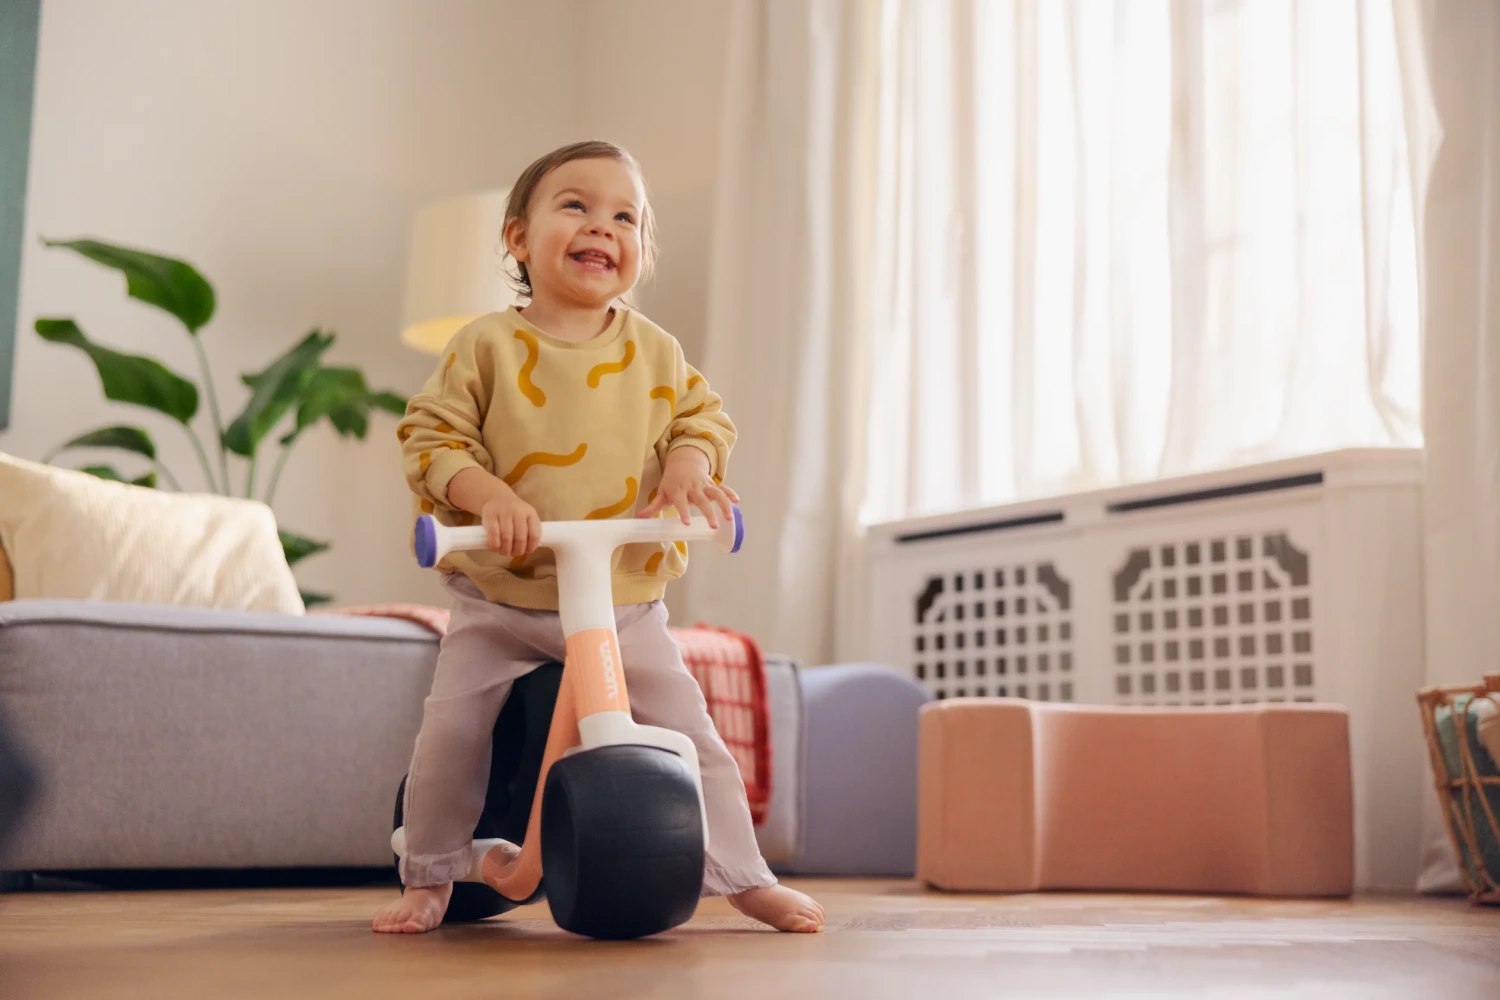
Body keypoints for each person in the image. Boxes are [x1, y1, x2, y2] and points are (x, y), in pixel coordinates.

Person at [374, 140, 825, 935]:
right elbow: (433, 438)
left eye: (626, 216)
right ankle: (431, 873)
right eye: (576, 205)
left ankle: (743, 875)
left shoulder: (654, 351)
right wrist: (491, 496)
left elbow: (701, 418)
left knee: (694, 732)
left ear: (640, 250)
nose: (602, 227)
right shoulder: (485, 345)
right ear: (518, 238)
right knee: (451, 727)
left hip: (621, 603)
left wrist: (687, 469)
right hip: (502, 598)